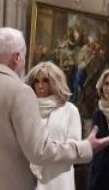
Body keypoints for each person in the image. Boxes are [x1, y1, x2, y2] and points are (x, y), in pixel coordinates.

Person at [0, 27, 109, 190]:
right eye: (24, 54)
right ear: (17, 57)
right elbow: (39, 151)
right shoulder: (20, 91)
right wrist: (86, 147)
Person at [26, 61, 81, 190]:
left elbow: (74, 148)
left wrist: (46, 153)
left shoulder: (69, 110)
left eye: (45, 81)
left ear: (55, 82)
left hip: (58, 178)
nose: (40, 86)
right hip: (28, 177)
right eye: (36, 81)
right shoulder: (28, 109)